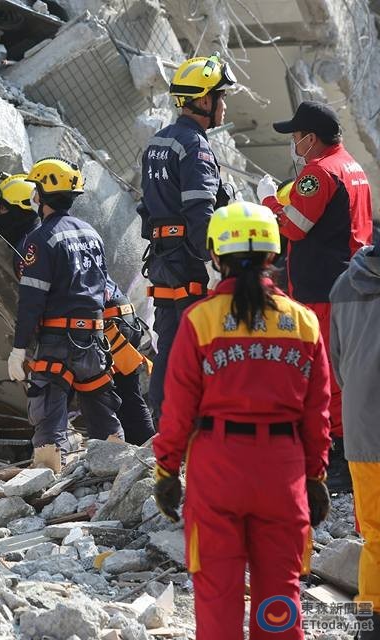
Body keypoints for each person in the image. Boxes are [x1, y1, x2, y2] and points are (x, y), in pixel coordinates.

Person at [152, 201, 332, 639]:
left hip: (217, 468)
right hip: (283, 470)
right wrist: (315, 476)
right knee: (280, 593)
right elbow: (318, 413)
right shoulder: (304, 322)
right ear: (273, 254)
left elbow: (178, 409)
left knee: (217, 592)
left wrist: (167, 470)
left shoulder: (200, 320)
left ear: (216, 255)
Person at [257, 100, 374, 492]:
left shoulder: (319, 172)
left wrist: (269, 202)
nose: (293, 143)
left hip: (324, 289)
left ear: (310, 138)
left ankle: (340, 456)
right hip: (352, 283)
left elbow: (294, 227)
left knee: (328, 373)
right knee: (347, 370)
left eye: (296, 135)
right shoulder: (352, 167)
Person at [0, 171, 153, 446]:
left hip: (102, 327)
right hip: (112, 322)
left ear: (25, 205)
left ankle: (65, 457)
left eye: (3, 209)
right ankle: (136, 457)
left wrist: (20, 348)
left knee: (60, 403)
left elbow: (35, 302)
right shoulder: (80, 230)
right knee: (119, 403)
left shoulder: (35, 243)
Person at [6, 158, 124, 472]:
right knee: (103, 414)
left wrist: (19, 348)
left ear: (43, 194)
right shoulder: (91, 233)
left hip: (58, 342)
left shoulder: (40, 239)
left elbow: (31, 301)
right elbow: (103, 288)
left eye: (36, 189)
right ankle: (118, 472)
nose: (33, 195)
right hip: (93, 341)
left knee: (48, 420)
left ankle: (48, 478)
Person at [138, 54, 236, 422]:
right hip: (187, 258)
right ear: (205, 100)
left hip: (162, 257)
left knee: (169, 343)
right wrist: (216, 260)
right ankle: (189, 424)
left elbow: (147, 208)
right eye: (221, 97)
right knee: (196, 343)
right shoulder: (195, 146)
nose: (224, 106)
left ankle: (164, 421)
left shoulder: (158, 142)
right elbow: (200, 211)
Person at [329, 223, 380, 638]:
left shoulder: (344, 284)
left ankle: (369, 627)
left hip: (363, 430)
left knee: (375, 536)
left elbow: (339, 364)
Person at [103, 276, 155, 445]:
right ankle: (145, 448)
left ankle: (145, 449)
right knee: (127, 393)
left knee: (123, 394)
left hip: (110, 324)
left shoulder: (46, 259)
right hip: (123, 318)